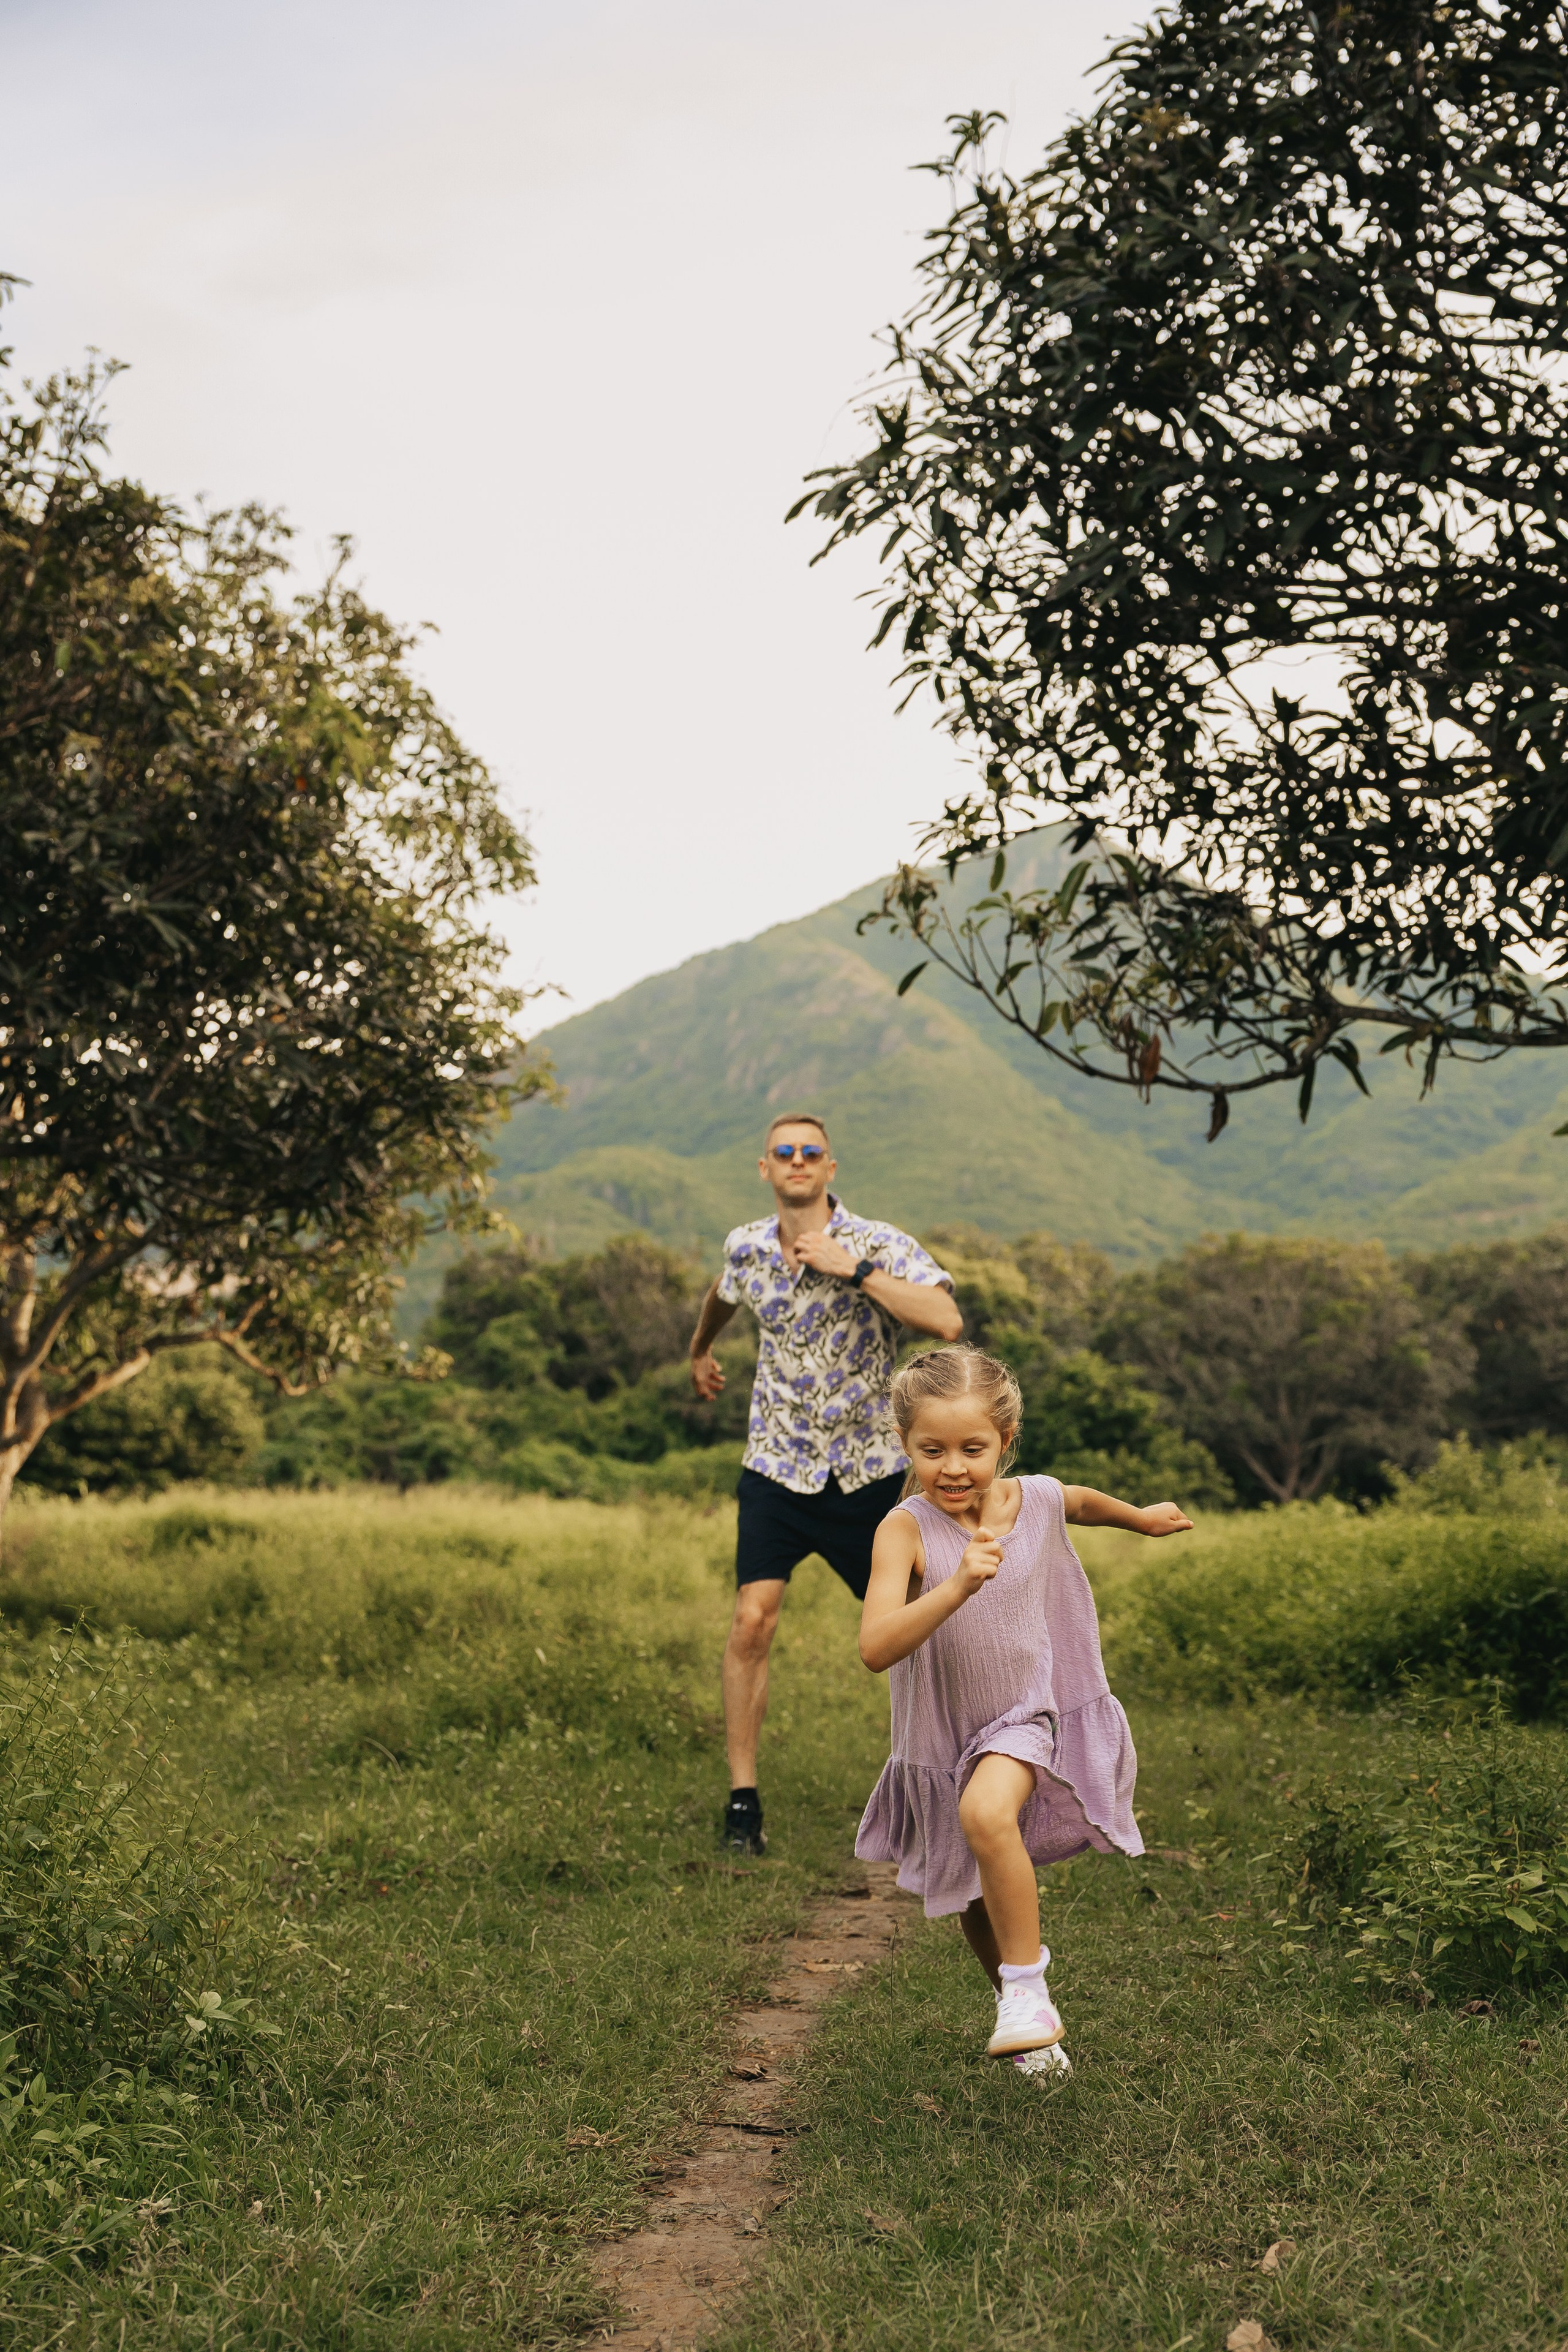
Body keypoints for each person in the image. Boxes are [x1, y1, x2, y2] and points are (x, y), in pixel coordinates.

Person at [855, 1343, 1192, 2079]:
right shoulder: (903, 1530)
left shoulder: (1033, 1498)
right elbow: (876, 1646)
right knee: (972, 1891)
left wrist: (1139, 1518)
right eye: (930, 1449)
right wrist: (953, 1588)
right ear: (904, 1445)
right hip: (939, 1734)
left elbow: (1079, 1501)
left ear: (1004, 1443)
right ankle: (1027, 2022)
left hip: (1020, 1718)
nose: (952, 1467)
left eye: (972, 1449)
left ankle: (1028, 1991)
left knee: (985, 1815)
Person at [689, 1113, 962, 1856]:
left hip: (870, 1471)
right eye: (785, 1153)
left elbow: (945, 1317)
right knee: (753, 1619)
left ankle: (945, 1784)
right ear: (765, 1168)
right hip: (776, 1465)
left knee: (912, 1631)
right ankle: (743, 1805)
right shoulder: (746, 1245)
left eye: (811, 1152)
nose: (798, 1162)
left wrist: (856, 1271)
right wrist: (700, 1349)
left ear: (830, 1168)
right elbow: (723, 1291)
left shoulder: (876, 1241)